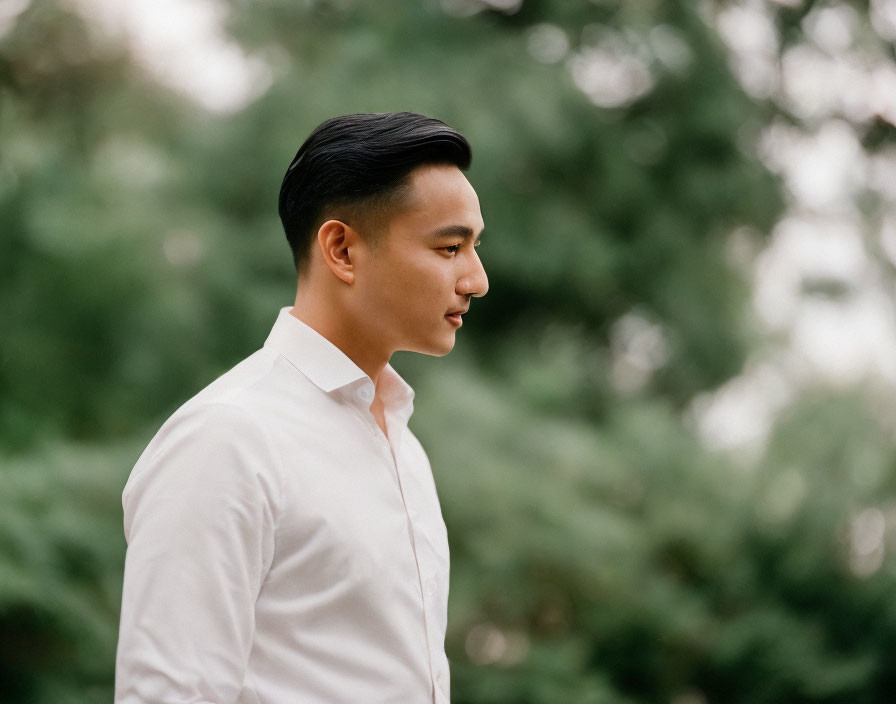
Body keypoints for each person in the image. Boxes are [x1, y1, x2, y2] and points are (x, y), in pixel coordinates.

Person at [114, 112, 489, 703]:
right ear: (341, 249)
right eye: (450, 248)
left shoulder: (402, 442)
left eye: (474, 247)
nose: (477, 279)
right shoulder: (228, 439)